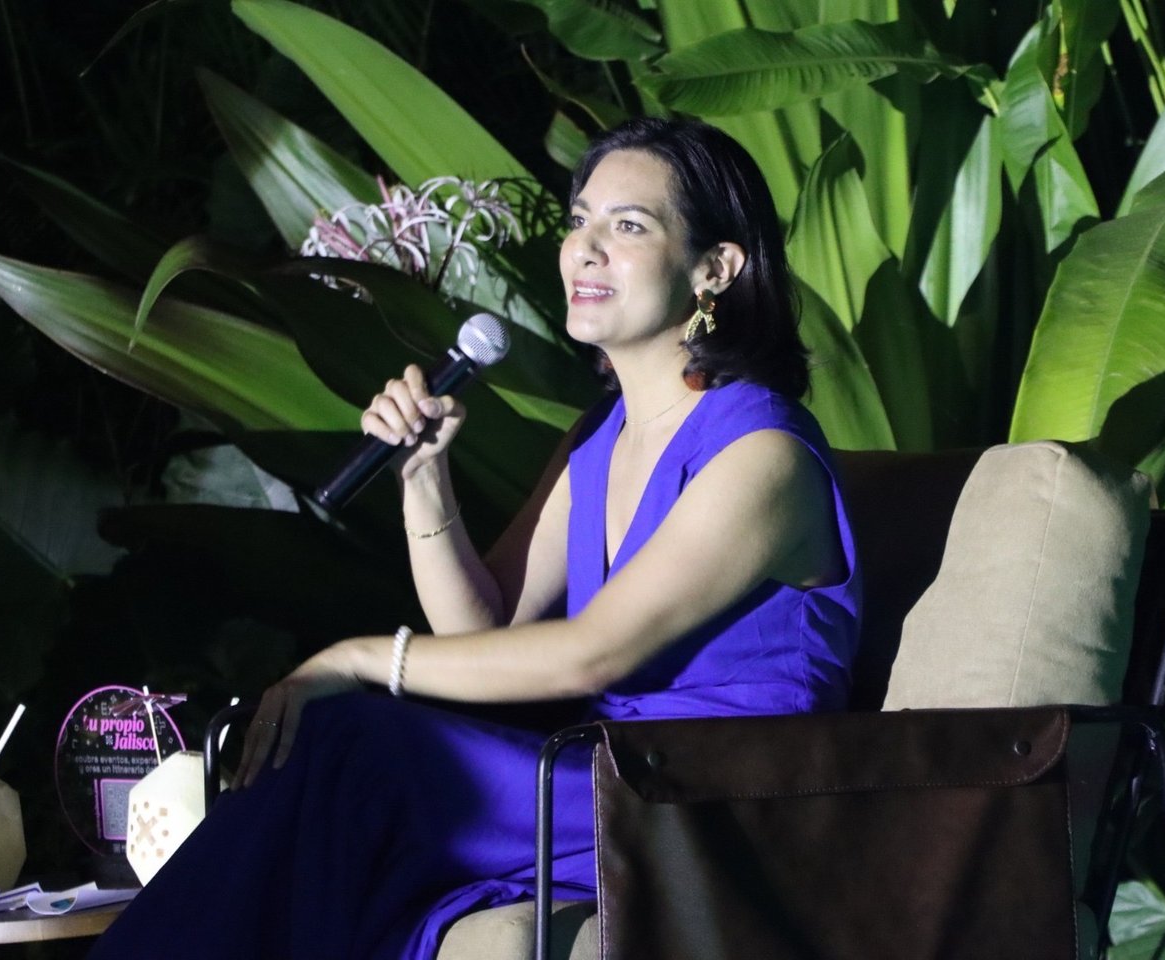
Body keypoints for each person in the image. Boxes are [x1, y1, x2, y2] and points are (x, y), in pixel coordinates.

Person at [87, 117, 861, 960]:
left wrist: (359, 657)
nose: (584, 249)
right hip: (608, 781)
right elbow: (482, 629)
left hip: (714, 805)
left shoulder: (763, 456)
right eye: (579, 221)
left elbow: (589, 656)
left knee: (357, 744)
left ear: (716, 268)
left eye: (628, 226)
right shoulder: (599, 440)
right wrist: (424, 477)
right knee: (337, 766)